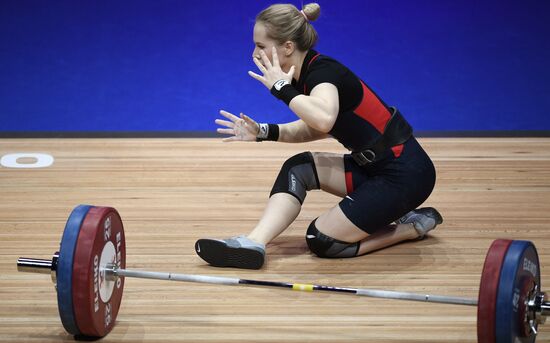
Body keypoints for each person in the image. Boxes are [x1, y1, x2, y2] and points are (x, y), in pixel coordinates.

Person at [195, 3, 442, 269]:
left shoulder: (323, 73)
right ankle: (254, 242)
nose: (254, 53)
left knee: (322, 239)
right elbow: (319, 127)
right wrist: (264, 132)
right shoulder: (302, 76)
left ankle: (411, 227)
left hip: (405, 177)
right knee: (298, 168)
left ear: (287, 47)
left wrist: (280, 88)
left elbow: (324, 117)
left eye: (261, 45)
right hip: (373, 169)